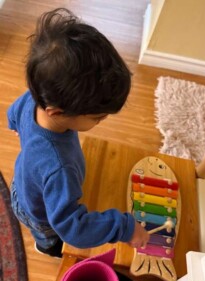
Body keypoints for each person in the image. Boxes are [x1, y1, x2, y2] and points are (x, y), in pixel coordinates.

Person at [8, 8, 149, 257]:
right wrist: (125, 227)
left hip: (25, 185)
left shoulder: (35, 97)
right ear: (57, 112)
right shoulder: (58, 167)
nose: (102, 120)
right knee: (52, 239)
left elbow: (13, 112)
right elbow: (74, 229)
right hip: (41, 215)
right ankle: (46, 247)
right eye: (97, 117)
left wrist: (18, 129)